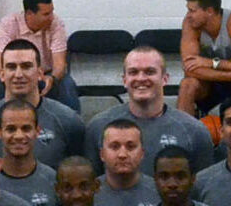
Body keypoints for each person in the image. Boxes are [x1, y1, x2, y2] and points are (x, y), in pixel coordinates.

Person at [88, 46, 217, 172]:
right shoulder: (99, 126)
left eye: (149, 72)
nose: (141, 78)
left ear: (165, 79)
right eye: (133, 72)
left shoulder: (193, 131)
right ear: (124, 80)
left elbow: (202, 187)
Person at [0, 41, 89, 167]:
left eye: (26, 66)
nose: (19, 74)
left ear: (40, 74)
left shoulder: (69, 122)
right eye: (11, 67)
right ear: (2, 75)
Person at [0, 0, 78, 108]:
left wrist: (52, 78)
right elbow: (0, 64)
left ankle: (73, 123)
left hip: (45, 74)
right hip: (17, 72)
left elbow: (60, 65)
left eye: (52, 12)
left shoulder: (56, 24)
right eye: (46, 14)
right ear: (29, 13)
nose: (51, 17)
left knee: (67, 83)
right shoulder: (8, 23)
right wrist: (15, 75)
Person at [0, 97, 60, 206]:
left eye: (26, 128)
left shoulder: (53, 180)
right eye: (11, 129)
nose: (19, 136)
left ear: (37, 131)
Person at [94, 118, 156, 206]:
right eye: (114, 147)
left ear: (142, 153)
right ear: (102, 154)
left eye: (130, 147)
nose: (122, 154)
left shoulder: (159, 193)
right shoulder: (88, 195)